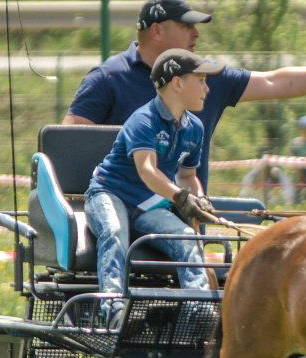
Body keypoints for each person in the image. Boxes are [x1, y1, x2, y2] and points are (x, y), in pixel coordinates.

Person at [65, 0, 306, 194]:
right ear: (157, 31)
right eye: (187, 26)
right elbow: (70, 150)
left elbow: (275, 82)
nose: (196, 33)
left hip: (187, 228)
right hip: (125, 227)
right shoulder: (108, 78)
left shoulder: (204, 77)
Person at [84, 48, 223, 326]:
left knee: (187, 237)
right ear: (177, 82)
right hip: (108, 194)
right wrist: (181, 198)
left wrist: (200, 199)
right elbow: (147, 171)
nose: (207, 88)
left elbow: (186, 176)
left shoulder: (194, 127)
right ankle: (112, 309)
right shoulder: (143, 119)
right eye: (201, 80)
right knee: (114, 231)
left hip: (147, 204)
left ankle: (197, 311)